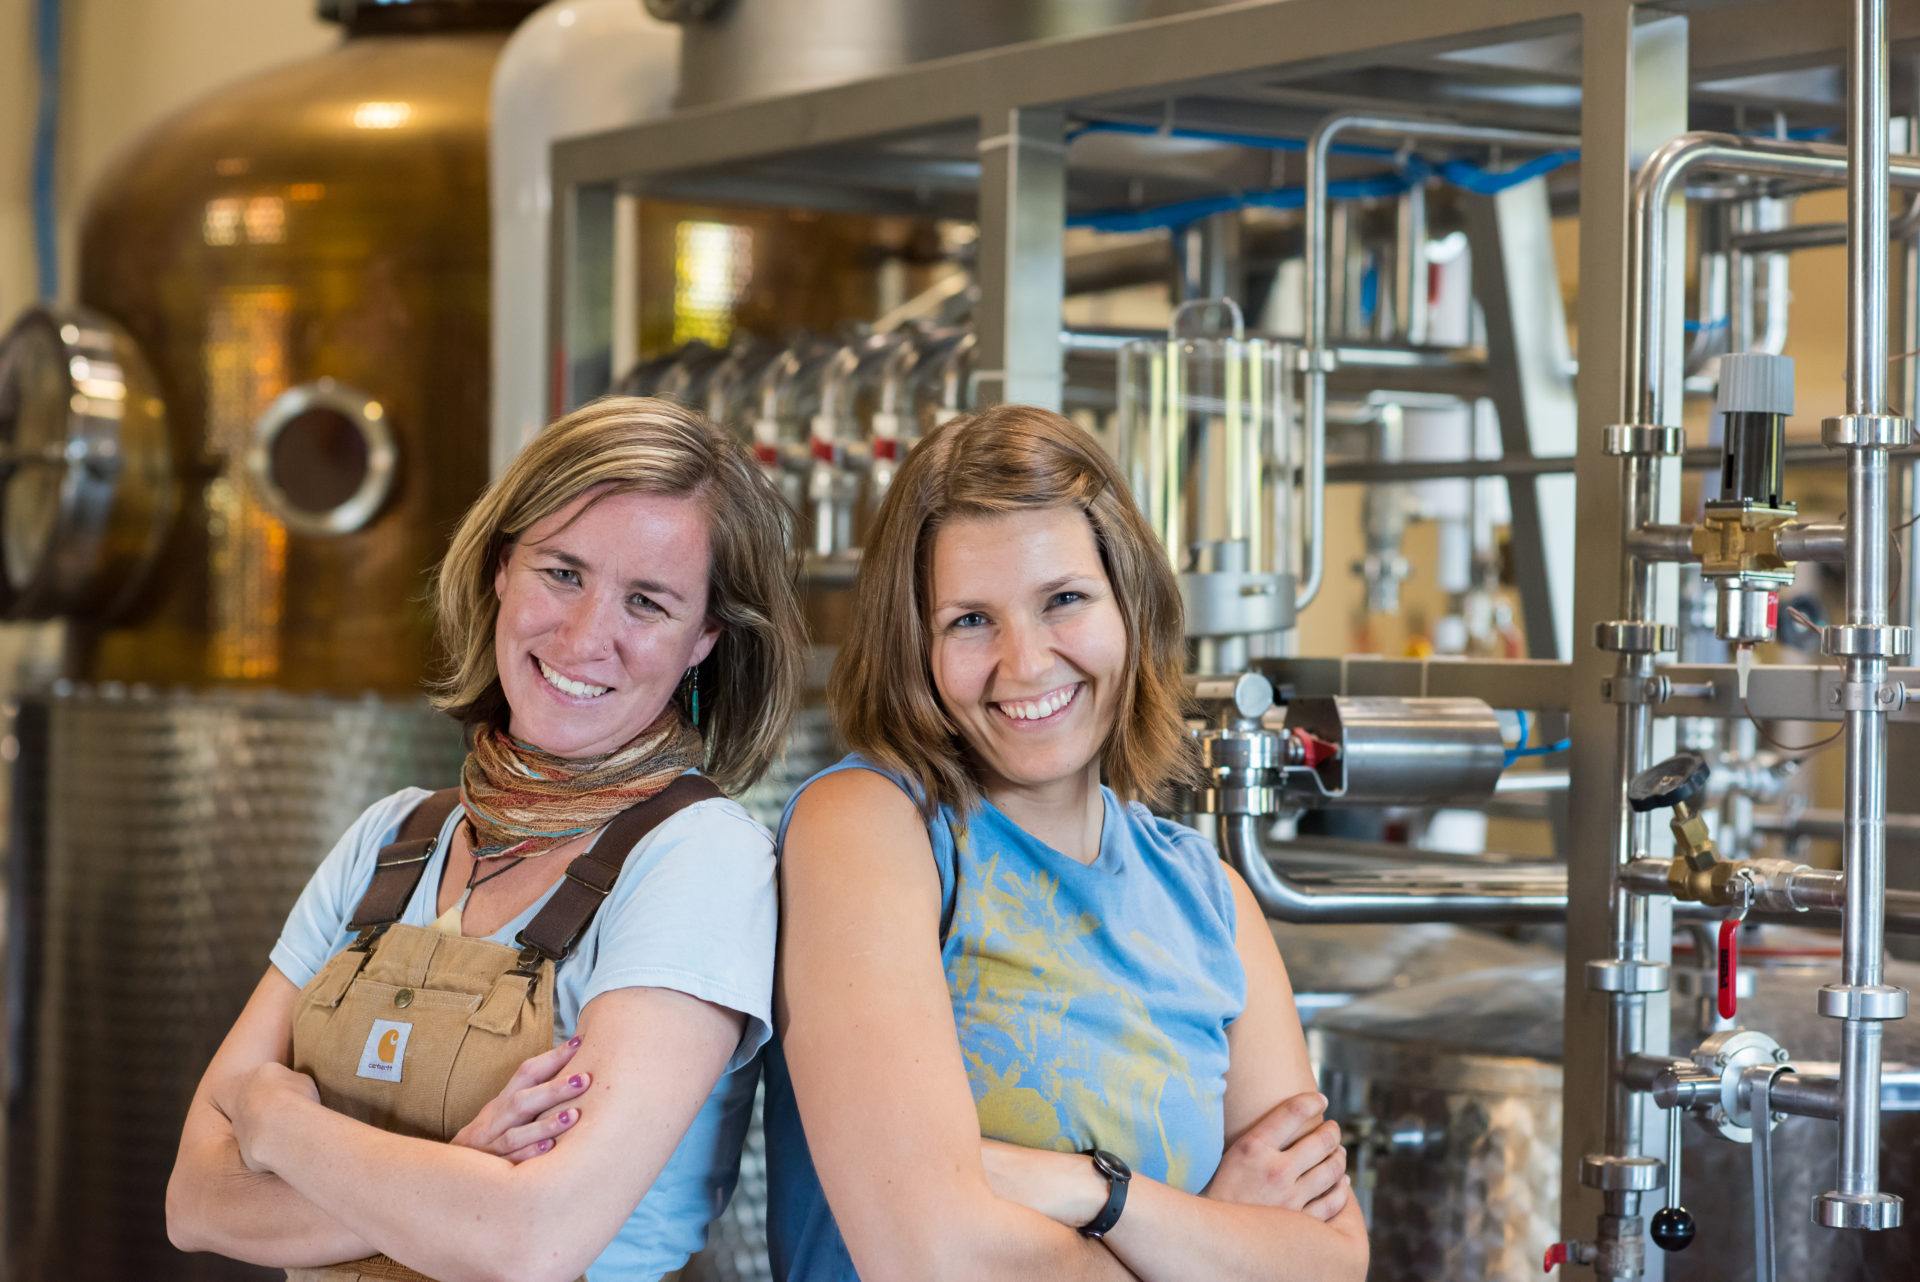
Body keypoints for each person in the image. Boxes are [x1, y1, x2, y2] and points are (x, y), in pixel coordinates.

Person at [167, 396, 804, 1282]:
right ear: (502, 567)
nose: (585, 637)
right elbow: (196, 1202)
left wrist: (279, 1125)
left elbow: (530, 1242)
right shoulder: (392, 837)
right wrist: (462, 1176)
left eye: (646, 602)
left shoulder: (699, 861)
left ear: (703, 639)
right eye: (563, 572)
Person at [766, 404, 1369, 1281]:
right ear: (913, 645)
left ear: (1131, 606)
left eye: (1064, 600)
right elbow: (930, 1253)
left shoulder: (1211, 900)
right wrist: (1208, 1237)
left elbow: (1330, 1264)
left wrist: (1096, 1193)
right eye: (969, 620)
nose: (1026, 663)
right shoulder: (868, 829)